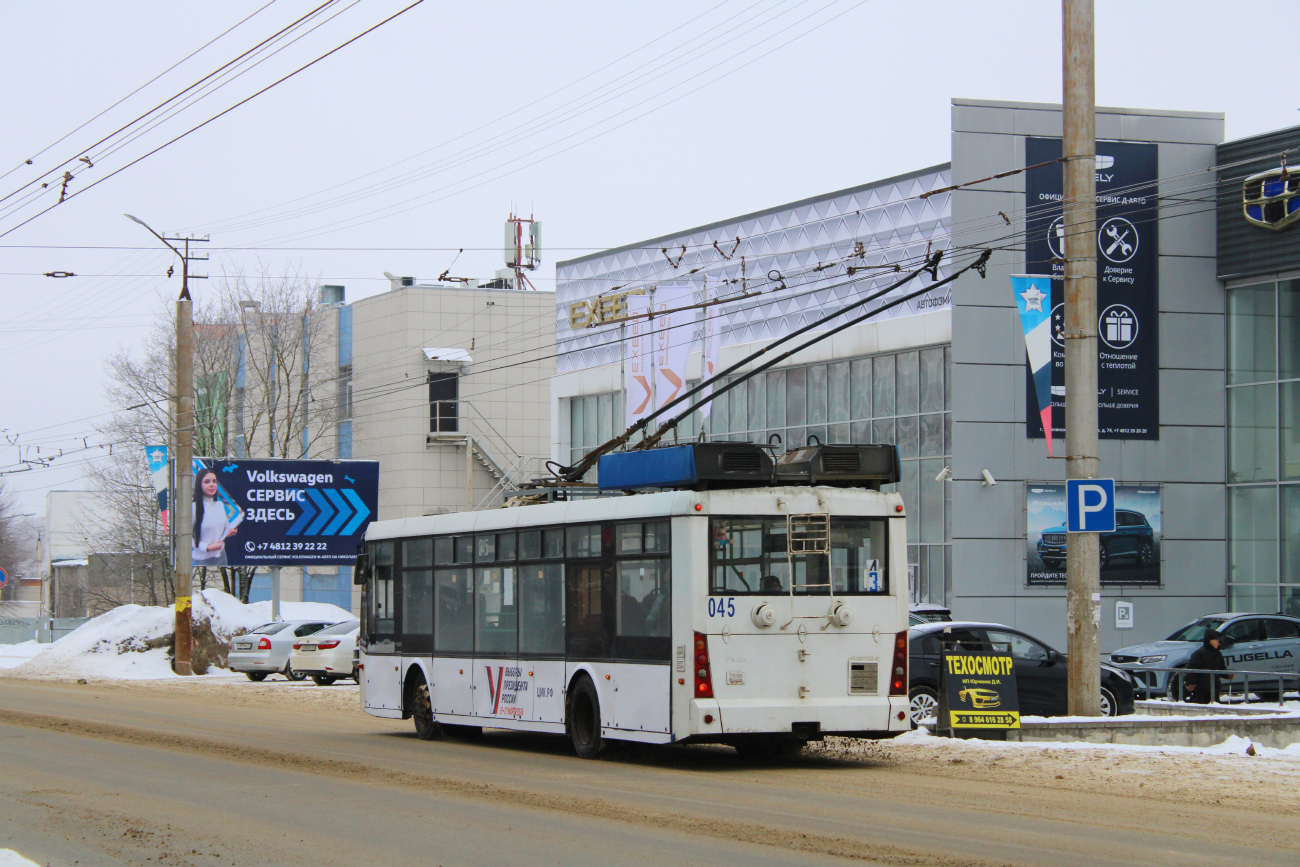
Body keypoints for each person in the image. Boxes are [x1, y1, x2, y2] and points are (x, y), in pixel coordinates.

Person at [192, 468, 236, 568]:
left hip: (221, 557)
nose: (212, 484)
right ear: (199, 485)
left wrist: (231, 531)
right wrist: (208, 547)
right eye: (207, 482)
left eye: (214, 481)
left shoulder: (219, 505)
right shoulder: (193, 508)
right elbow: (185, 538)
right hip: (202, 561)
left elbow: (226, 527)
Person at [1182, 628, 1229, 704]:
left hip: (1215, 688)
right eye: (1217, 640)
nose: (1219, 642)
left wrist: (1227, 675)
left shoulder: (1218, 654)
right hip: (1201, 688)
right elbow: (1192, 669)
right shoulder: (1199, 653)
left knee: (1215, 707)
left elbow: (1221, 668)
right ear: (1210, 640)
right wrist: (1192, 683)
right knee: (1201, 707)